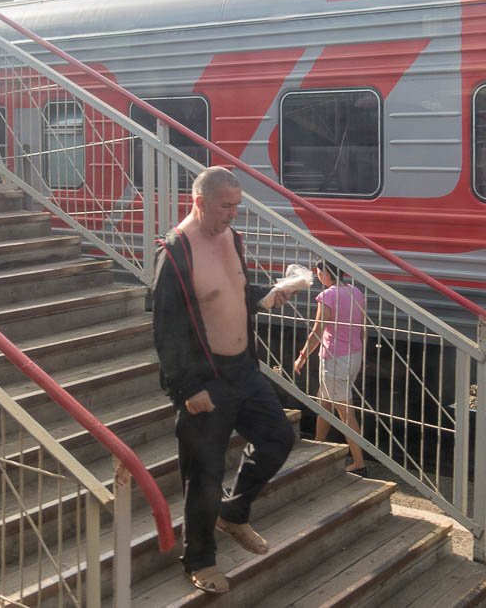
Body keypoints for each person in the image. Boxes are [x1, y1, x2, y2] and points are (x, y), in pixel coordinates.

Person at [152, 166, 295, 594]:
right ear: (199, 202)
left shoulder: (232, 239)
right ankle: (199, 559)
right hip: (204, 376)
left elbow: (233, 293)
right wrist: (186, 388)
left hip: (244, 370)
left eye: (237, 206)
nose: (233, 214)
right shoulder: (176, 251)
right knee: (204, 473)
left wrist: (267, 296)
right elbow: (167, 329)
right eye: (225, 206)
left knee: (278, 438)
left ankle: (233, 512)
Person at [293, 260, 367, 473]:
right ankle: (317, 447)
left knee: (345, 412)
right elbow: (362, 328)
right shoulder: (355, 292)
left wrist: (303, 355)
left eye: (318, 273)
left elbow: (318, 329)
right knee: (323, 403)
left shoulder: (327, 296)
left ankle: (359, 462)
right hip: (353, 355)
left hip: (335, 359)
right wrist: (362, 352)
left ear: (326, 273)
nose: (317, 277)